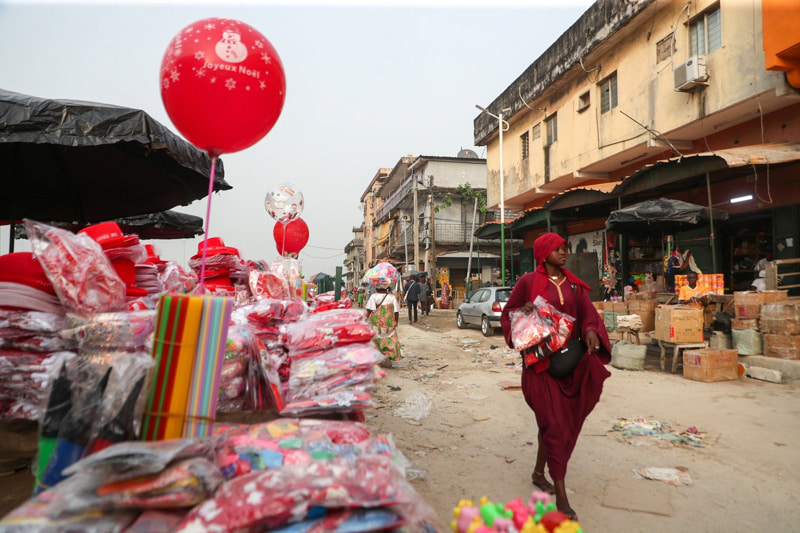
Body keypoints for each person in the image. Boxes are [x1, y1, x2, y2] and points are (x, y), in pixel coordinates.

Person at [500, 232, 611, 522]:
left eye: (565, 249)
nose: (564, 253)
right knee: (552, 423)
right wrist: (521, 313)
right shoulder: (527, 282)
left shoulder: (573, 284)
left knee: (552, 423)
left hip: (569, 363)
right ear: (544, 252)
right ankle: (560, 492)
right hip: (539, 367)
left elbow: (588, 314)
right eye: (558, 249)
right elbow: (508, 312)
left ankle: (539, 473)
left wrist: (589, 331)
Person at [365, 285, 402, 366]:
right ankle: (388, 354)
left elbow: (369, 310)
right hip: (388, 322)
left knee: (376, 339)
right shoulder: (392, 297)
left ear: (376, 287)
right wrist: (396, 321)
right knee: (389, 338)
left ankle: (378, 357)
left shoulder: (373, 296)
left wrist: (363, 319)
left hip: (376, 322)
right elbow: (396, 311)